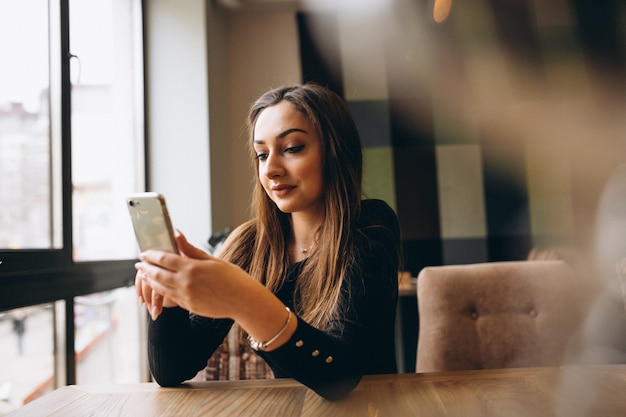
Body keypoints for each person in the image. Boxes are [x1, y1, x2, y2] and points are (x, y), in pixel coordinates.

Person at [135, 83, 402, 400]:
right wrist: (169, 302)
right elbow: (173, 370)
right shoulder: (250, 245)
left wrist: (242, 297)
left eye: (292, 148)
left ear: (335, 151)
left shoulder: (370, 226)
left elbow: (340, 375)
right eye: (262, 154)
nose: (271, 169)